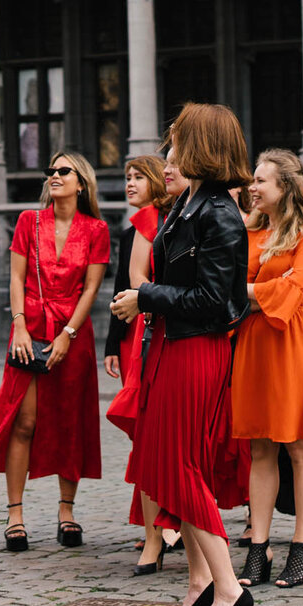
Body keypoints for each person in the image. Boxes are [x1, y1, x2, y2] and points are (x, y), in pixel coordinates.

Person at [111, 102, 256, 606]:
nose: (166, 157)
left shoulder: (217, 211)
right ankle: (200, 584)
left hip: (196, 349)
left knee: (183, 467)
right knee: (168, 464)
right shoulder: (187, 205)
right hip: (172, 345)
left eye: (175, 144)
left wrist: (146, 295)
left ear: (202, 148)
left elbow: (219, 299)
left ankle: (229, 588)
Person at [0, 151, 111, 551]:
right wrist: (18, 325)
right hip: (28, 328)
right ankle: (15, 514)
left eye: (63, 171)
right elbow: (15, 278)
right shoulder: (28, 222)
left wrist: (68, 332)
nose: (54, 176)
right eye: (50, 170)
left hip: (73, 333)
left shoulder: (96, 228)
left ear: (81, 182)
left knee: (70, 422)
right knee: (24, 421)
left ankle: (67, 512)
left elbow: (91, 289)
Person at [229, 150, 303, 591]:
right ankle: (259, 547)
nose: (252, 188)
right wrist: (261, 288)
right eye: (253, 180)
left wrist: (249, 290)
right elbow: (226, 287)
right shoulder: (249, 231)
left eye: (261, 181)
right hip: (253, 343)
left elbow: (293, 290)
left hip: (290, 342)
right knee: (261, 448)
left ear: (286, 188)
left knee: (300, 445)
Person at [105, 156, 180, 573]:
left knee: (186, 438)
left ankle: (182, 523)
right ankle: (153, 536)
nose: (131, 183)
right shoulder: (146, 220)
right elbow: (132, 281)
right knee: (149, 439)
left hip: (191, 330)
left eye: (137, 176)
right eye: (127, 176)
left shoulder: (199, 211)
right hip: (150, 330)